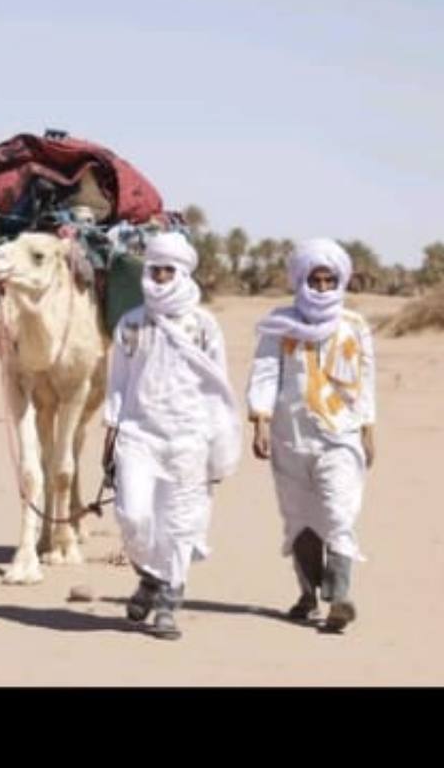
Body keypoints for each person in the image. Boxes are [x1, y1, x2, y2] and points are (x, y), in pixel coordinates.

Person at [101, 230, 242, 640]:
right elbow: (117, 384)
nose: (159, 278)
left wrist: (218, 445)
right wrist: (110, 436)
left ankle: (166, 602)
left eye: (167, 271)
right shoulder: (130, 324)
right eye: (154, 270)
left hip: (189, 440)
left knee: (178, 526)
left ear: (181, 273)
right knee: (134, 516)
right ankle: (150, 575)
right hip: (138, 436)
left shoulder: (203, 326)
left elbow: (218, 387)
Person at [247, 238, 376, 633]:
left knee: (339, 514)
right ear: (300, 280)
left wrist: (369, 428)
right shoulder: (280, 322)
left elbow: (366, 379)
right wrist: (261, 421)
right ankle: (308, 594)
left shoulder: (354, 325)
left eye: (328, 279)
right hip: (290, 433)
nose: (321, 287)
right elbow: (266, 373)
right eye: (314, 279)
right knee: (300, 521)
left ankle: (339, 599)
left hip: (341, 433)